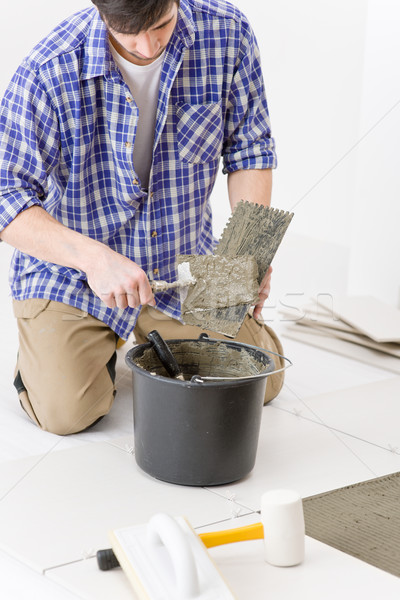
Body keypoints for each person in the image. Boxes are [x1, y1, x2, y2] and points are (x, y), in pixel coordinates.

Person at [0, 0, 285, 435]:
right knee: (65, 414)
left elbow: (249, 150)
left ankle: (152, 331)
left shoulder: (228, 33)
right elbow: (7, 196)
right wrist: (95, 260)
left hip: (180, 265)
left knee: (258, 383)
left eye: (163, 25)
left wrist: (249, 254)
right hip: (75, 272)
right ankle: (79, 345)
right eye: (127, 33)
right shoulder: (49, 69)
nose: (148, 46)